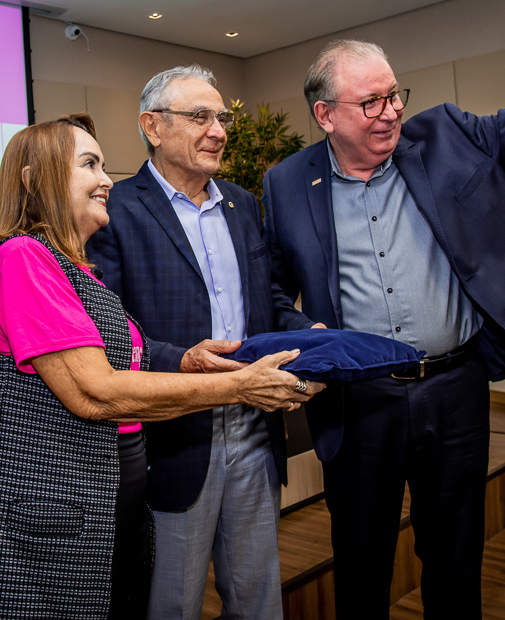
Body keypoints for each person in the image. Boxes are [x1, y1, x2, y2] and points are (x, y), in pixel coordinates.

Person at [263, 0, 505, 619]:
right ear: (325, 114)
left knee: (455, 557)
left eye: (394, 95)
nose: (389, 113)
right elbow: (275, 287)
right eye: (370, 103)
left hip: (454, 387)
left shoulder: (447, 135)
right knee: (361, 564)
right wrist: (308, 335)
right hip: (358, 399)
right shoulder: (286, 182)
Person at [0, 114, 319, 620]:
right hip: (56, 521)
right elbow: (95, 391)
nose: (106, 179)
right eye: (89, 164)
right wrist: (240, 386)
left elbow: (131, 359)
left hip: (105, 511)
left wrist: (192, 360)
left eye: (102, 165)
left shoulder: (76, 269)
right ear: (34, 180)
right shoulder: (23, 259)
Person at [87, 65, 321, 619]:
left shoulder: (241, 204)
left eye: (221, 118)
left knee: (258, 599)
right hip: (175, 437)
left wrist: (307, 333)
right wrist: (182, 361)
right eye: (200, 117)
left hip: (254, 431)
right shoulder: (114, 209)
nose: (217, 130)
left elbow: (269, 300)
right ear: (153, 126)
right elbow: (108, 325)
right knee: (172, 603)